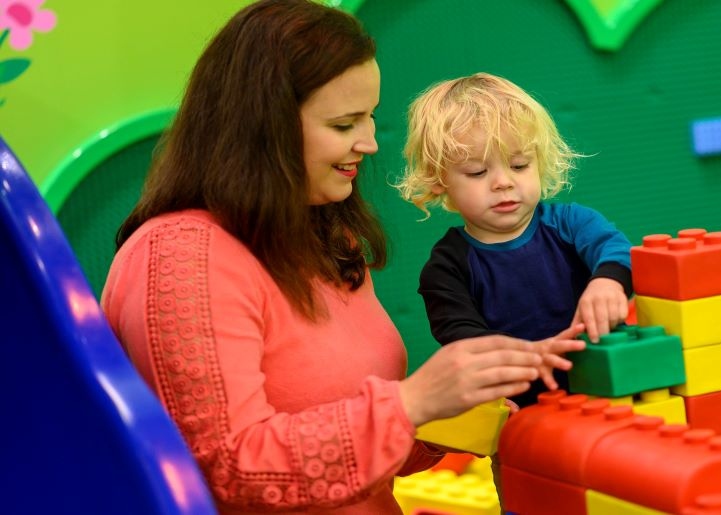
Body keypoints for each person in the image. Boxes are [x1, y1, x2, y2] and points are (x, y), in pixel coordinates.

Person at [101, 3, 584, 514]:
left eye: (370, 117)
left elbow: (345, 451)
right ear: (265, 126)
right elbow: (231, 469)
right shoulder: (181, 257)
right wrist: (410, 403)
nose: (371, 142)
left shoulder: (323, 239)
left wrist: (442, 417)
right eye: (344, 123)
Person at [397, 72, 634, 409]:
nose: (503, 182)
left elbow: (616, 249)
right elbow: (463, 337)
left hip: (608, 397)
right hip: (519, 414)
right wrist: (498, 382)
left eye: (519, 165)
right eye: (478, 172)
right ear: (438, 180)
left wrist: (608, 282)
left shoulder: (570, 223)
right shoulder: (447, 268)